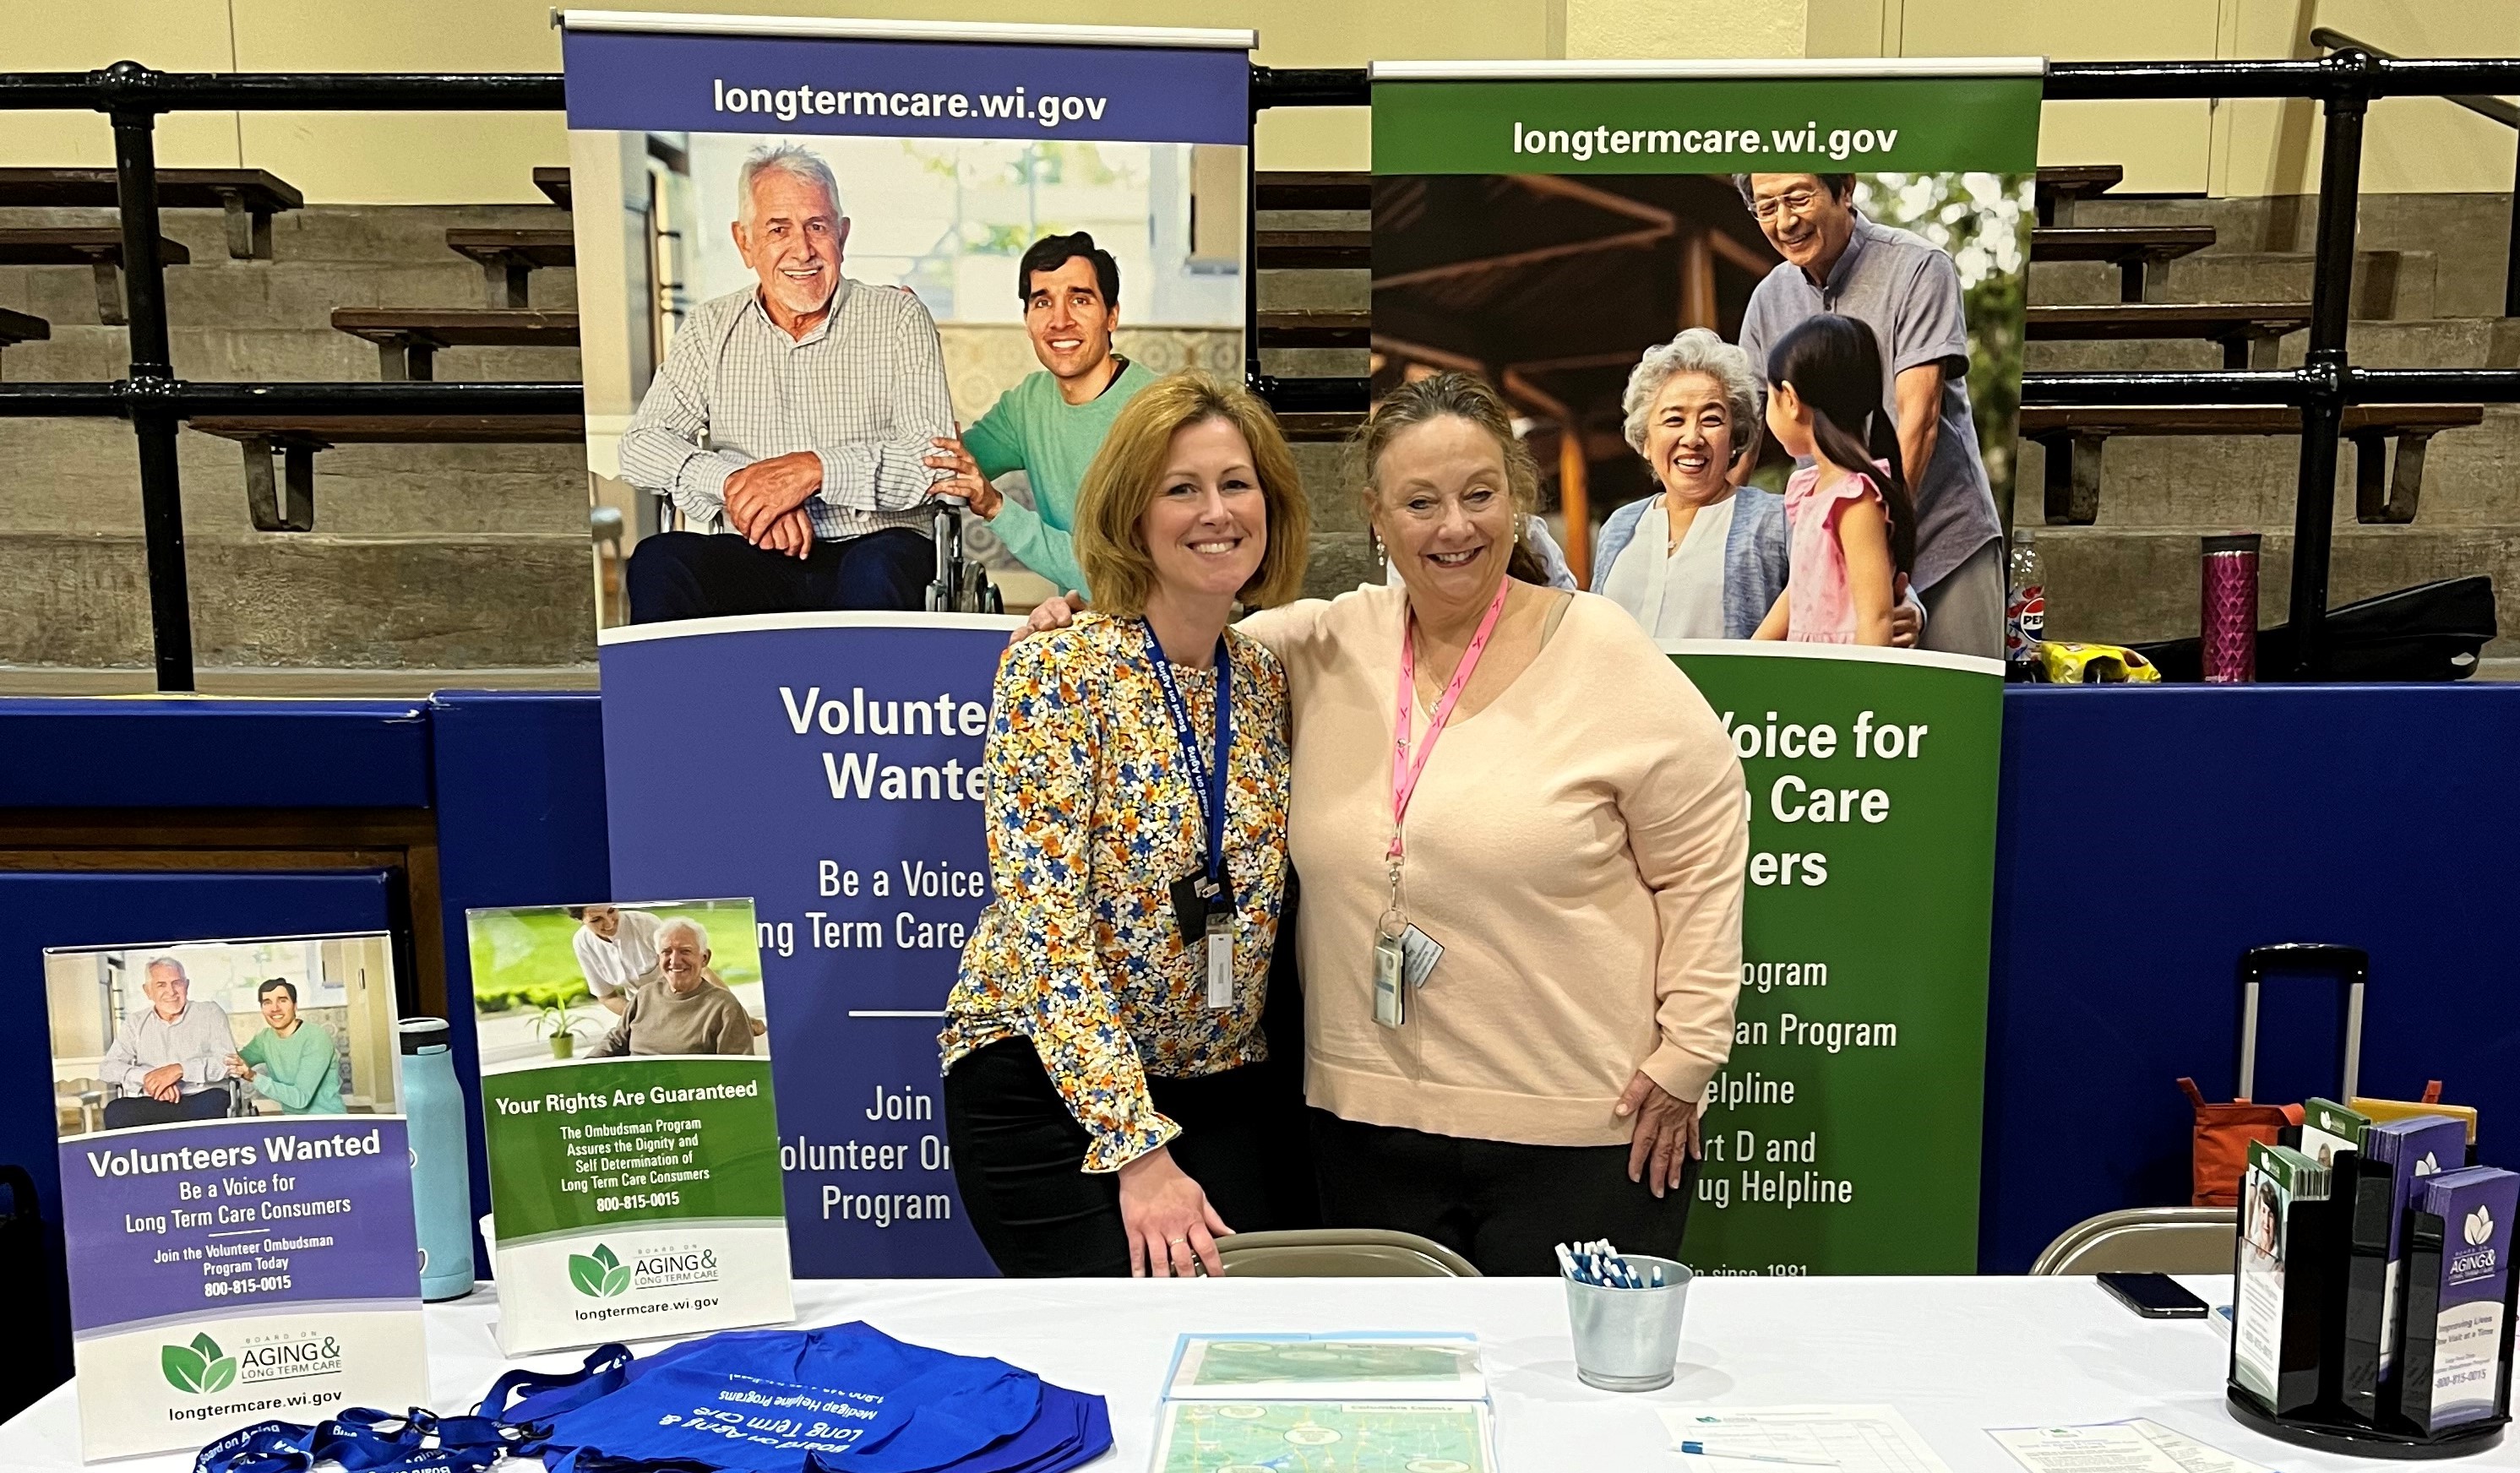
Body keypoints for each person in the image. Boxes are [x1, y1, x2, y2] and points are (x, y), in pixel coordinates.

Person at [1023, 372, 1748, 1275]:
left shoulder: (1601, 648)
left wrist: (1689, 1051)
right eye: (1420, 501)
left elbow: (1705, 849)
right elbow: (1179, 630)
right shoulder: (1318, 644)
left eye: (1480, 495)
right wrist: (1082, 615)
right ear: (1375, 514)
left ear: (1517, 500)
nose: (1454, 527)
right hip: (1362, 1137)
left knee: (1571, 1404)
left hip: (1583, 1131)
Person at [940, 371, 1309, 1280]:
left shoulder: (1262, 677)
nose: (1215, 511)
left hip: (1217, 1079)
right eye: (1180, 487)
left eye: (1235, 482)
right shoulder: (1057, 672)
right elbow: (1045, 934)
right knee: (1132, 1339)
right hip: (1048, 1084)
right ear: (1131, 514)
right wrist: (1135, 1150)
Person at [620, 144, 953, 622]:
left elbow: (933, 460)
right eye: (778, 229)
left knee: (877, 572)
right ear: (745, 241)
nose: (802, 250)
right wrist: (743, 487)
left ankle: (850, 696)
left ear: (842, 234)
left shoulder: (898, 317)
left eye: (817, 226)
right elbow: (641, 445)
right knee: (658, 563)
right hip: (756, 548)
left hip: (874, 543)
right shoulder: (710, 326)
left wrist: (813, 471)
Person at [1734, 172, 2003, 658]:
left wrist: (1881, 560)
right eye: (1766, 206)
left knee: (1959, 716)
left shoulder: (1918, 268)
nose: (1785, 221)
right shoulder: (1767, 301)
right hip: (1835, 554)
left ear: (1845, 188)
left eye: (1798, 197)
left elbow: (1918, 420)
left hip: (1941, 535)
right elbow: (1748, 429)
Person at [1594, 331, 1922, 644]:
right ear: (1646, 440)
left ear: (1736, 438)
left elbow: (1861, 572)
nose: (1692, 438)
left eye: (1711, 420)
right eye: (1674, 420)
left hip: (1731, 702)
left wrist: (1911, 611)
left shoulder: (1777, 518)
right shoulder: (1620, 527)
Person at [923, 232, 1158, 596]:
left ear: (1111, 316)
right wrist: (910, 340)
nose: (1060, 320)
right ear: (1027, 319)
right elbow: (942, 467)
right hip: (1082, 625)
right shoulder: (1029, 404)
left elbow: (1121, 580)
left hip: (1155, 627)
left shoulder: (1158, 412)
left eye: (1080, 300)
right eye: (1043, 302)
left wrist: (997, 508)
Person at [1751, 315, 1917, 647]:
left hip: (1845, 676)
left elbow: (1876, 617)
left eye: (1767, 397)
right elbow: (1799, 588)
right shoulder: (1811, 489)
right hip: (1812, 671)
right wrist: (1749, 653)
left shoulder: (1854, 498)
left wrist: (1859, 695)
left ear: (1790, 400)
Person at [100, 958, 247, 1128]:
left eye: (176, 983)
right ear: (148, 991)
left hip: (200, 1097)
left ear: (187, 985)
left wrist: (179, 1070)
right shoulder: (135, 1022)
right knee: (116, 1111)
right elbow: (108, 1068)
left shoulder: (210, 1013)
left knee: (214, 1103)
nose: (171, 992)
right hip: (153, 1100)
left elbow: (229, 1063)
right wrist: (150, 1078)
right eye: (161, 985)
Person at [593, 919, 758, 1057]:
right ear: (659, 958)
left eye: (685, 951)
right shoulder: (645, 995)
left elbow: (739, 1074)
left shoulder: (725, 1007)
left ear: (704, 958)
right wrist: (583, 1067)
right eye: (667, 952)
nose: (675, 960)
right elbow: (616, 1041)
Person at [227, 980, 344, 1116]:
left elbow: (300, 1098)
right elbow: (236, 1062)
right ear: (262, 1009)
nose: (275, 1008)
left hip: (329, 1122)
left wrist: (252, 1076)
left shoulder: (316, 1037)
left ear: (295, 1005)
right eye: (267, 1002)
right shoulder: (265, 1039)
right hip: (292, 1121)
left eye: (282, 1000)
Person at [572, 904, 663, 1017]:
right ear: (580, 920)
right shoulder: (583, 942)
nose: (609, 924)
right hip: (637, 1010)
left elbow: (680, 976)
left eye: (611, 911)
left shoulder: (647, 924)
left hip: (676, 1000)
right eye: (596, 919)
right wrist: (638, 1017)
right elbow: (608, 997)